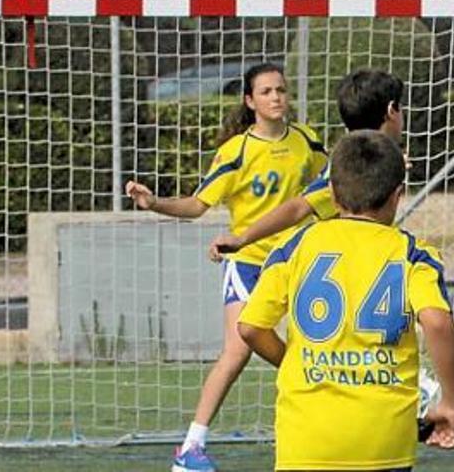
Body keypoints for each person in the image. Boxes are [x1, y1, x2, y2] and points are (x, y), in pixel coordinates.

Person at [125, 63, 326, 472]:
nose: (276, 97)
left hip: (299, 262)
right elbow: (198, 205)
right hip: (249, 262)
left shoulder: (307, 141)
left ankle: (330, 413)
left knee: (325, 339)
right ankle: (190, 449)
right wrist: (155, 203)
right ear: (250, 101)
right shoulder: (236, 152)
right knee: (237, 350)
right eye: (267, 91)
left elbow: (332, 183)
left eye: (281, 90)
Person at [238, 129, 454, 471]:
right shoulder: (413, 254)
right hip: (384, 440)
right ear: (397, 195)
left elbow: (251, 327)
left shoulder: (295, 246)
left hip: (306, 438)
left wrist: (292, 362)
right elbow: (437, 321)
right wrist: (451, 403)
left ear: (330, 192)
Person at [205, 68, 405, 260]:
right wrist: (243, 239)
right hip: (354, 262)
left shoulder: (372, 157)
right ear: (392, 110)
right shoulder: (347, 166)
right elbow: (298, 207)